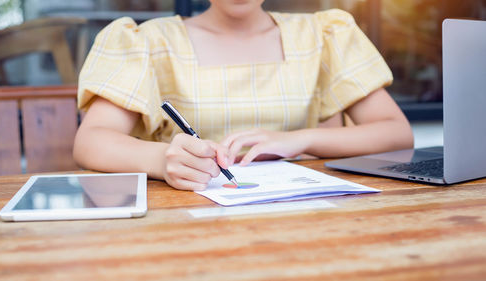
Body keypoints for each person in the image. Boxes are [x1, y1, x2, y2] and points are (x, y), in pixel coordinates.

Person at [73, 0, 414, 191]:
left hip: (303, 217)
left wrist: (301, 139)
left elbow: (395, 133)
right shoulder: (147, 41)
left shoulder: (324, 34)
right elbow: (91, 142)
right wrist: (162, 160)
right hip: (183, 218)